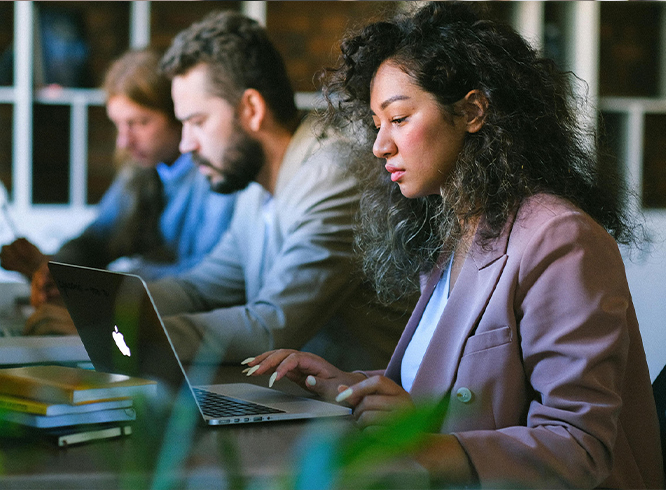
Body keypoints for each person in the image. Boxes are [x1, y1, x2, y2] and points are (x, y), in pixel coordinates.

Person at [243, 3, 665, 488]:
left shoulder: (560, 239)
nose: (380, 145)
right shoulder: (461, 233)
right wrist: (351, 388)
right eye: (377, 124)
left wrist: (424, 441)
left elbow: (579, 447)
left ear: (471, 111)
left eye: (398, 118)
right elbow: (461, 381)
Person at [23, 11, 412, 369]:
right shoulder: (255, 184)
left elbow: (271, 325)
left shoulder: (333, 172)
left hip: (365, 426)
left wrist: (111, 332)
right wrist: (94, 303)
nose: (187, 144)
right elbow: (200, 288)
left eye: (197, 122)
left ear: (251, 110)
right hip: (299, 405)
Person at [1, 48, 237, 297]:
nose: (124, 141)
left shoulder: (216, 174)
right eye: (119, 125)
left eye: (140, 123)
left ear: (178, 115)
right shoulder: (142, 168)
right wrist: (56, 267)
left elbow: (208, 276)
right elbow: (97, 239)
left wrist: (103, 282)